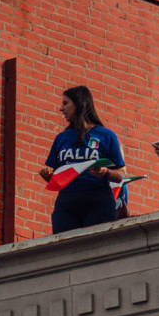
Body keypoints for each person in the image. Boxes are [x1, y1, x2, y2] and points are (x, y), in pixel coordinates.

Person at [39, 86, 126, 234]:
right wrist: (47, 175)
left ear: (79, 103)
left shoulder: (106, 135)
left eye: (65, 103)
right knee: (64, 248)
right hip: (67, 202)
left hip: (98, 199)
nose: (61, 109)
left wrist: (105, 172)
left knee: (96, 247)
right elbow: (56, 178)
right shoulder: (61, 138)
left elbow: (120, 176)